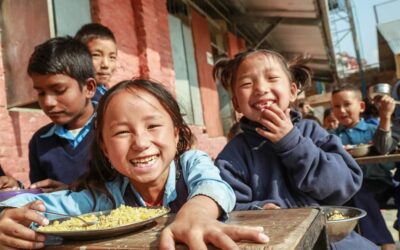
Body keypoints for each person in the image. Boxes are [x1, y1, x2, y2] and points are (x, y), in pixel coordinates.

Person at [0, 79, 269, 249]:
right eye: (121, 132)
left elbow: (214, 186)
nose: (140, 142)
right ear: (105, 148)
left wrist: (196, 213)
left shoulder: (189, 164)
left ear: (176, 134)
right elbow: (46, 209)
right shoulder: (106, 197)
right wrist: (7, 218)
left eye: (153, 126)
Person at [212, 49, 377, 249]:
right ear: (237, 103)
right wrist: (257, 210)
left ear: (292, 91)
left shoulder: (312, 132)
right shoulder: (234, 154)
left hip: (332, 239)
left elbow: (344, 184)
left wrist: (292, 143)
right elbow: (224, 206)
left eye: (272, 78)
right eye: (247, 83)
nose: (260, 88)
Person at [331, 83, 396, 250]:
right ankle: (383, 243)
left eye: (347, 104)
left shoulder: (374, 130)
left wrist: (385, 118)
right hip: (353, 190)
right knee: (358, 191)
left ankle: (382, 242)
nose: (342, 110)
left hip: (381, 184)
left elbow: (385, 152)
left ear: (360, 106)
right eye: (337, 106)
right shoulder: (332, 137)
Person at [27, 37, 97, 192]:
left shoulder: (112, 131)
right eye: (41, 92)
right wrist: (17, 189)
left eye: (59, 90)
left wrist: (71, 193)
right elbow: (39, 195)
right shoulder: (40, 142)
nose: (48, 102)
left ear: (89, 88)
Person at [75, 23, 117, 102]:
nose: (106, 65)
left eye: (112, 57)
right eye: (96, 55)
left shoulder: (108, 94)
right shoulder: (78, 97)